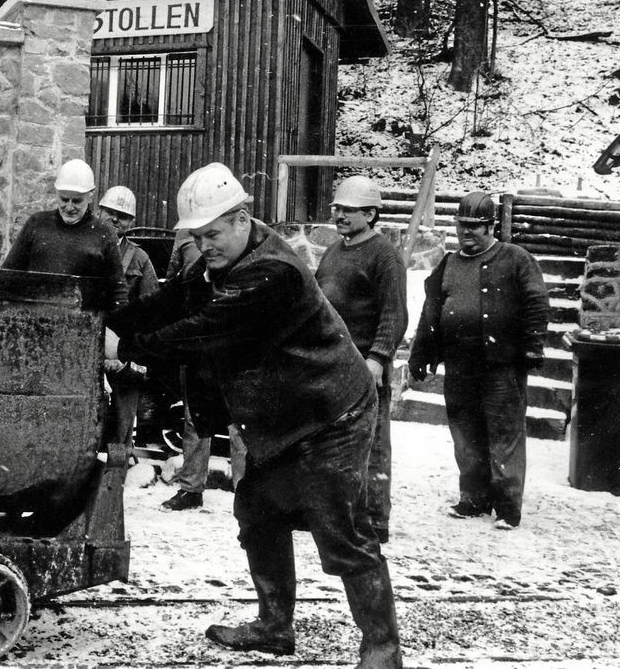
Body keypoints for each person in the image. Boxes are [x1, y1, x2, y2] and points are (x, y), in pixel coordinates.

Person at [105, 163, 401, 668]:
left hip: (331, 412)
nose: (205, 246)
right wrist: (107, 319)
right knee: (258, 512)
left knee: (341, 529)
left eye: (213, 234)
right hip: (283, 415)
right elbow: (174, 298)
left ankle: (382, 649)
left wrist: (126, 344)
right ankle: (274, 626)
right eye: (197, 237)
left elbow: (203, 330)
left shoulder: (273, 272)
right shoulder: (217, 260)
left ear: (242, 219)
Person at [408, 191, 549, 531]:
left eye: (475, 227)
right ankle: (473, 500)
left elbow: (536, 302)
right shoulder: (449, 263)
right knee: (465, 435)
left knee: (504, 434)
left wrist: (532, 346)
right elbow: (431, 312)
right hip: (460, 364)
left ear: (491, 227)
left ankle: (506, 507)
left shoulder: (516, 259)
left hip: (502, 365)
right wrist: (421, 354)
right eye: (461, 226)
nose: (466, 233)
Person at [314, 176, 408, 543]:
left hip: (365, 368)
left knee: (372, 445)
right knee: (331, 443)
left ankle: (374, 519)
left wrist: (378, 359)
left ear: (370, 213)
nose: (339, 215)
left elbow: (394, 313)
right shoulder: (335, 251)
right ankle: (337, 513)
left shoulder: (385, 255)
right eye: (337, 208)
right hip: (332, 365)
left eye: (348, 209)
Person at [2, 159, 128, 311]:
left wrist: (119, 328)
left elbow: (117, 291)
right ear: (56, 193)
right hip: (34, 320)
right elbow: (8, 275)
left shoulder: (104, 233)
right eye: (63, 199)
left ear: (91, 196)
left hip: (84, 324)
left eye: (76, 201)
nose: (69, 207)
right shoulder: (36, 224)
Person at [97, 186, 159, 451]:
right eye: (110, 212)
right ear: (98, 212)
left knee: (123, 418)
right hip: (87, 339)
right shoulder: (85, 246)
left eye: (122, 216)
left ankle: (116, 472)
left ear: (131, 222)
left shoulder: (140, 259)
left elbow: (152, 309)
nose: (114, 219)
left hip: (122, 349)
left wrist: (132, 353)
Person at [159, 229, 212, 511]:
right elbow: (172, 282)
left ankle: (246, 491)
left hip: (228, 336)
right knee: (194, 416)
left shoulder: (235, 229)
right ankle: (191, 489)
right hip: (195, 340)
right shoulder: (182, 236)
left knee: (238, 421)